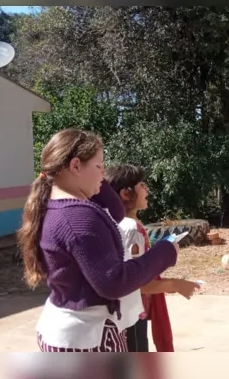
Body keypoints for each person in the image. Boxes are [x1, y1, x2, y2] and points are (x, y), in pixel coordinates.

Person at [17, 128, 179, 353]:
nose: (103, 175)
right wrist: (165, 252)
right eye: (99, 166)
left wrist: (92, 180)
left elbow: (116, 212)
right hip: (87, 339)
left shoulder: (56, 205)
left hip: (66, 330)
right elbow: (114, 283)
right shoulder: (80, 217)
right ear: (75, 166)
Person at [104, 164, 201, 352]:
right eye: (142, 185)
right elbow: (136, 282)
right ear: (126, 193)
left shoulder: (114, 222)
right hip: (130, 315)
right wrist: (177, 284)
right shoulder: (131, 228)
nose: (147, 189)